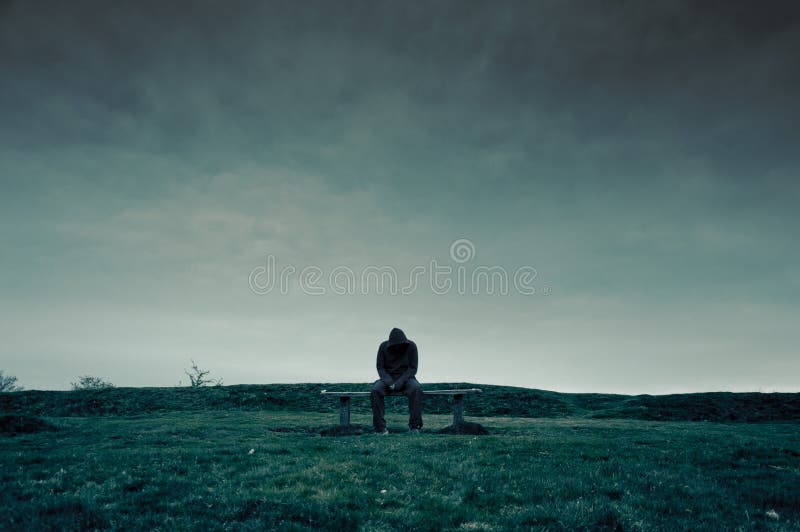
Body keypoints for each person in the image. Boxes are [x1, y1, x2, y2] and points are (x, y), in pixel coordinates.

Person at [371, 327, 423, 434]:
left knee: (416, 389)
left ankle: (414, 427)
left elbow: (413, 368)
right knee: (375, 390)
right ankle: (380, 428)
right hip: (387, 379)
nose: (398, 347)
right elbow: (380, 367)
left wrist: (399, 383)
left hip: (407, 378)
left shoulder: (412, 346)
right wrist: (389, 382)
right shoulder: (383, 347)